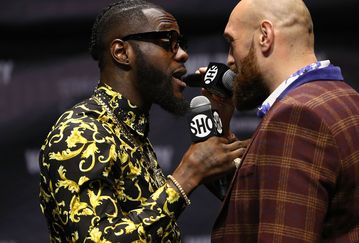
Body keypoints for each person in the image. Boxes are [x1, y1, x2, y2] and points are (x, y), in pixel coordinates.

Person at [38, 0, 246, 242]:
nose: (183, 54)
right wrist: (186, 176)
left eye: (181, 43)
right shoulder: (81, 131)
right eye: (168, 41)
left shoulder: (128, 131)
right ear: (122, 52)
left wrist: (219, 125)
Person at [208, 0, 359, 242]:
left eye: (231, 43)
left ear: (265, 35)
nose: (230, 60)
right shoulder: (349, 99)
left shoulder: (294, 116)